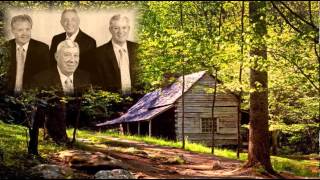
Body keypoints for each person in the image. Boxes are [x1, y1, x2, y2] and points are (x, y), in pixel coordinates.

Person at [28, 40, 91, 155]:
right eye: (66, 55)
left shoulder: (86, 78)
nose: (72, 60)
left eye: (76, 55)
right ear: (56, 56)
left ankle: (61, 139)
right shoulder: (40, 79)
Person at [1, 14, 49, 95]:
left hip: (33, 96)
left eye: (27, 29)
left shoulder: (42, 49)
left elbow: (45, 77)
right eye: (20, 30)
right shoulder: (4, 48)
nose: (24, 33)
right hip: (7, 97)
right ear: (13, 30)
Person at [93, 14, 139, 95]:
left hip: (139, 101)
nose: (120, 32)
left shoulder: (139, 49)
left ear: (129, 29)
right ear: (110, 30)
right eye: (116, 28)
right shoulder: (98, 54)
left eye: (124, 28)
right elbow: (97, 87)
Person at [49, 9, 96, 74]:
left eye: (73, 20)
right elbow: (52, 64)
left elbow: (90, 70)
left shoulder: (90, 42)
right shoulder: (56, 39)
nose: (69, 23)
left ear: (78, 21)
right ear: (61, 22)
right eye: (65, 20)